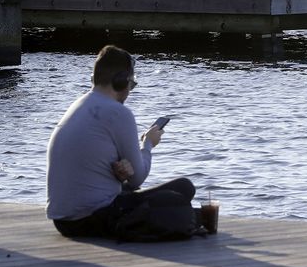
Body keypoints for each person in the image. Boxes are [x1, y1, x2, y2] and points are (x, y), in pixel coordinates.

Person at [46, 45, 198, 239]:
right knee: (184, 188)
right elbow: (138, 178)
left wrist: (121, 173)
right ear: (121, 81)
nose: (129, 90)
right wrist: (148, 144)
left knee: (164, 194)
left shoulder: (79, 105)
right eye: (131, 85)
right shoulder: (118, 112)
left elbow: (105, 168)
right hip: (92, 218)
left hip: (63, 222)